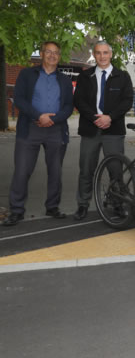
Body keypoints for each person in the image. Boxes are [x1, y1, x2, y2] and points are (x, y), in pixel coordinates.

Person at [3, 41, 74, 226]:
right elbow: (19, 99)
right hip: (30, 128)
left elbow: (68, 106)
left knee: (55, 172)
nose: (52, 55)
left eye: (56, 53)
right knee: (22, 171)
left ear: (59, 56)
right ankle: (16, 210)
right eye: (48, 52)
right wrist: (38, 116)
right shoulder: (27, 74)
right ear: (41, 54)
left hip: (56, 129)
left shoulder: (65, 80)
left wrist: (54, 119)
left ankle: (52, 207)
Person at [72, 41, 134, 221]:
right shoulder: (85, 76)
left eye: (105, 52)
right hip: (90, 129)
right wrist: (94, 118)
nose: (102, 56)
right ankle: (82, 205)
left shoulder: (122, 76)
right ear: (94, 54)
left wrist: (110, 117)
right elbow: (79, 100)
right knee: (86, 169)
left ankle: (117, 204)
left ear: (111, 54)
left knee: (115, 170)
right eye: (98, 53)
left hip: (113, 130)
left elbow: (127, 101)